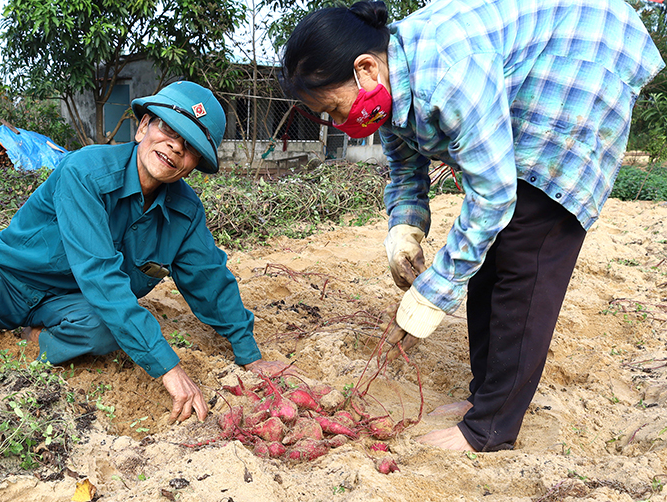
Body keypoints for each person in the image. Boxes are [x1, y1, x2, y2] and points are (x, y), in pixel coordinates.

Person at [281, 0, 664, 451]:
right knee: (490, 246)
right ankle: (483, 398)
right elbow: (406, 170)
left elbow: (495, 195)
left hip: (584, 55)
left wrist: (433, 293)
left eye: (333, 108)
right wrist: (404, 229)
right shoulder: (389, 79)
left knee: (527, 239)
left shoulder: (451, 72)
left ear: (365, 69)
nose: (338, 122)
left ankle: (491, 428)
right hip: (536, 60)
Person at [0, 81, 290, 423]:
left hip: (73, 302)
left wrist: (248, 355)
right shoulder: (86, 171)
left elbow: (210, 280)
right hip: (8, 279)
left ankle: (33, 339)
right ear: (143, 127)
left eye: (191, 144)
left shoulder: (184, 212)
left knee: (108, 331)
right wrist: (169, 368)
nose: (176, 147)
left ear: (196, 162)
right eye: (168, 130)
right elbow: (102, 276)